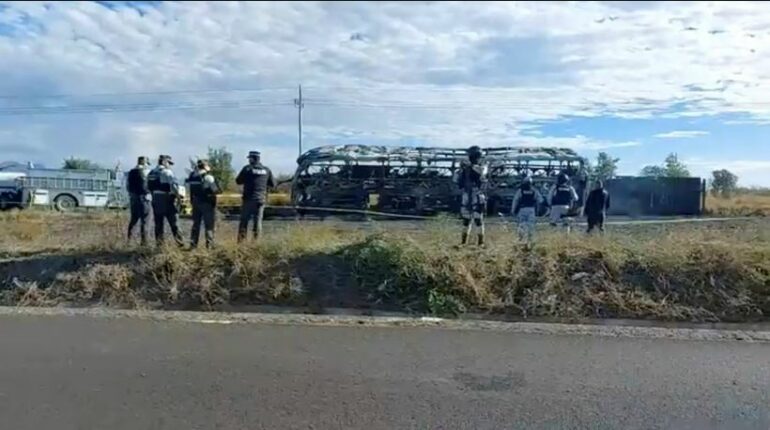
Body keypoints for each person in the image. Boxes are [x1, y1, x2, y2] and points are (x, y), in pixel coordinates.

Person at [236, 150, 275, 242]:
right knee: (257, 222)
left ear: (253, 159)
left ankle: (241, 242)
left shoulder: (247, 169)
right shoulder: (266, 170)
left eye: (250, 158)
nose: (249, 160)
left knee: (244, 222)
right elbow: (273, 184)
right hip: (260, 200)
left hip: (248, 199)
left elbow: (238, 181)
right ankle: (255, 242)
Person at [454, 145, 488, 246]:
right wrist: (461, 169)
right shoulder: (464, 168)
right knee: (467, 219)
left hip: (476, 194)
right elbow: (456, 179)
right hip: (468, 193)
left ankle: (479, 242)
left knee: (477, 218)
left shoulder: (480, 167)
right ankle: (466, 242)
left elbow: (482, 171)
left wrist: (469, 166)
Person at [147, 155, 184, 246]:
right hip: (166, 198)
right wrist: (179, 199)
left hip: (155, 199)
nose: (170, 165)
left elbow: (148, 188)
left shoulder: (151, 173)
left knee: (158, 223)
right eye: (169, 163)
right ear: (164, 162)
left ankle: (159, 244)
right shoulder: (167, 172)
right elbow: (174, 187)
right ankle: (180, 243)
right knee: (174, 222)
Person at [186, 159, 221, 249]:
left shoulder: (192, 176)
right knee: (209, 225)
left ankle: (193, 245)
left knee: (195, 224)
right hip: (207, 203)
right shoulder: (208, 177)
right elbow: (216, 190)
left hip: (195, 202)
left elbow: (190, 189)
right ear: (205, 166)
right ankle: (209, 246)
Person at [511, 176, 544, 243]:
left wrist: (513, 210)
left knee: (521, 224)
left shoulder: (520, 190)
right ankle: (530, 240)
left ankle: (521, 239)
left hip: (522, 209)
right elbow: (540, 200)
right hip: (531, 210)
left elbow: (515, 200)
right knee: (531, 225)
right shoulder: (534, 190)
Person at [126, 156, 151, 246]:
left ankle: (129, 241)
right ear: (144, 163)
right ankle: (144, 243)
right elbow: (147, 186)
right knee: (145, 220)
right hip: (143, 198)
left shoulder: (131, 172)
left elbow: (128, 186)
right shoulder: (146, 172)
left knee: (133, 220)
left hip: (133, 198)